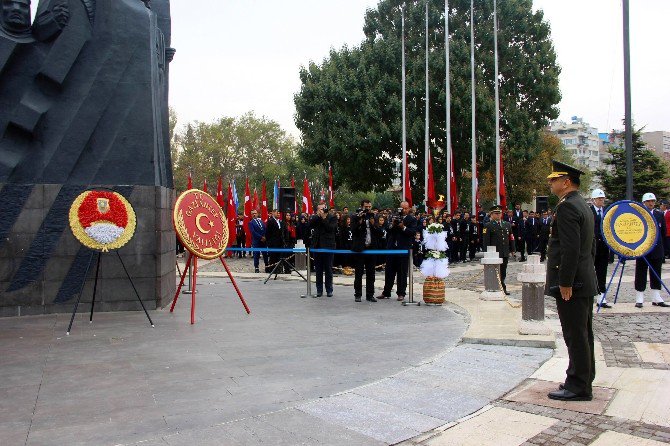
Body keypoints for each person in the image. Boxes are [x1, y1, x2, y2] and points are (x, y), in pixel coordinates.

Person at [545, 160, 598, 402]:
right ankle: (583, 378)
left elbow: (570, 249)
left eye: (554, 179)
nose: (550, 182)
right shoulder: (583, 205)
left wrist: (565, 282)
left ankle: (578, 386)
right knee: (583, 333)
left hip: (572, 284)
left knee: (575, 334)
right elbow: (591, 247)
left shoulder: (567, 207)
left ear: (566, 182)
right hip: (584, 279)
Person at [377, 201, 418, 301]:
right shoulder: (393, 217)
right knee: (389, 272)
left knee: (402, 273)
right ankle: (386, 292)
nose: (403, 210)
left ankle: (401, 293)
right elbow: (388, 230)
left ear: (409, 209)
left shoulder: (411, 219)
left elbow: (412, 232)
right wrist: (393, 224)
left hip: (403, 249)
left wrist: (403, 227)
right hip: (391, 249)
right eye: (402, 208)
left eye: (405, 208)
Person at [634, 193, 668, 308]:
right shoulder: (639, 214)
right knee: (641, 273)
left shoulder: (659, 214)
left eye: (653, 201)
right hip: (642, 249)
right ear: (644, 202)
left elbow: (663, 232)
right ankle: (639, 297)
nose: (651, 203)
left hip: (656, 249)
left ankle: (656, 297)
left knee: (656, 272)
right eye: (649, 201)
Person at [482, 205, 515, 295]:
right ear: (491, 215)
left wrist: (513, 249)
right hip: (494, 253)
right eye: (496, 214)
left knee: (503, 271)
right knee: (495, 272)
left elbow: (511, 237)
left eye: (499, 213)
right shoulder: (488, 226)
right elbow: (486, 241)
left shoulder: (506, 224)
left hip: (504, 252)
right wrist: (486, 253)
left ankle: (502, 287)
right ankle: (496, 286)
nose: (498, 215)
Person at [352, 200, 379, 302]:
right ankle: (358, 294)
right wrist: (360, 221)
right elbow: (353, 231)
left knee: (371, 274)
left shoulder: (374, 217)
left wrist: (373, 224)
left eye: (369, 206)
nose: (368, 208)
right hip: (360, 249)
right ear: (362, 207)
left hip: (371, 249)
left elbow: (379, 232)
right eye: (366, 207)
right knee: (358, 273)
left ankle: (370, 294)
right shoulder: (355, 216)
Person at [309, 204, 338, 297]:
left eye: (323, 209)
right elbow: (310, 225)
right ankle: (319, 289)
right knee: (318, 270)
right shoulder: (315, 218)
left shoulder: (332, 217)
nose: (322, 210)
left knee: (328, 269)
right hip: (317, 246)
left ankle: (329, 289)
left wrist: (324, 218)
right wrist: (318, 216)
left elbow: (330, 228)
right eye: (320, 209)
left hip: (328, 246)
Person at [590, 189, 611, 308]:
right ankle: (590, 294)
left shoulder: (607, 211)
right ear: (593, 200)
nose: (601, 201)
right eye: (599, 199)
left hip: (603, 247)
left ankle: (601, 297)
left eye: (602, 199)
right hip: (592, 246)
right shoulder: (589, 211)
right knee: (590, 272)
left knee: (602, 272)